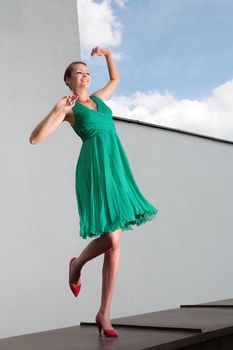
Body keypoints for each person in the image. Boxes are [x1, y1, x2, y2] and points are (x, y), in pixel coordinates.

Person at [29, 46, 158, 337]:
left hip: (117, 170)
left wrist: (109, 56)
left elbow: (115, 81)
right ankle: (77, 264)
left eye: (88, 73)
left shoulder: (100, 100)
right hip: (95, 171)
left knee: (115, 246)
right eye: (79, 73)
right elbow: (35, 139)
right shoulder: (69, 109)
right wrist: (56, 110)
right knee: (111, 239)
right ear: (68, 80)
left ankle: (104, 313)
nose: (85, 76)